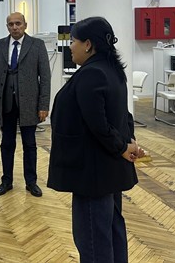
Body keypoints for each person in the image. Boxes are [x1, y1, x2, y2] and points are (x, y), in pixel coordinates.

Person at [47, 16, 143, 263]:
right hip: (107, 170)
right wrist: (128, 143)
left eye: (74, 41)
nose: (70, 47)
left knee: (92, 239)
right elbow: (122, 115)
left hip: (93, 173)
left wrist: (122, 146)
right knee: (110, 230)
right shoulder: (111, 70)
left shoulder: (92, 74)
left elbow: (98, 124)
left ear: (88, 44)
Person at [0, 12, 51, 197]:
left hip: (29, 103)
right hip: (5, 103)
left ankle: (31, 182)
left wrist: (43, 105)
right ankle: (6, 181)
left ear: (25, 25)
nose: (14, 27)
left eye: (18, 23)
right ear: (7, 26)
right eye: (11, 24)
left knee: (29, 144)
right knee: (6, 144)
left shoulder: (37, 45)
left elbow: (45, 77)